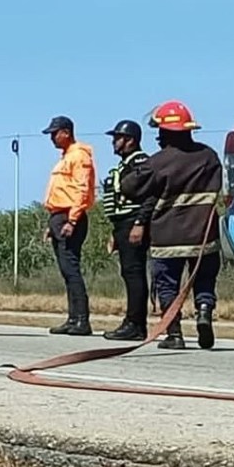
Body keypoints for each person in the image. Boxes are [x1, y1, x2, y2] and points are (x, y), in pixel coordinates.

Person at [118, 100, 222, 351]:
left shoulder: (158, 162)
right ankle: (204, 311)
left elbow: (129, 187)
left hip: (168, 236)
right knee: (204, 279)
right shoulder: (209, 156)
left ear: (165, 132)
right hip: (204, 236)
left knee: (167, 285)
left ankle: (174, 333)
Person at [41, 115, 96, 336]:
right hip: (59, 216)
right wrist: (51, 223)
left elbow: (82, 190)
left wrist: (72, 220)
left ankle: (82, 319)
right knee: (66, 270)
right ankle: (73, 318)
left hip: (70, 217)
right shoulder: (65, 157)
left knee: (72, 269)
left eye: (55, 133)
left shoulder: (79, 155)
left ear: (66, 132)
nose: (52, 138)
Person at [100, 119, 153, 341]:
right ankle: (133, 322)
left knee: (134, 272)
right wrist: (116, 231)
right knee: (129, 272)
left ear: (130, 140)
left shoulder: (140, 162)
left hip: (133, 222)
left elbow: (149, 196)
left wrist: (139, 223)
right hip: (123, 224)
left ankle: (135, 324)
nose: (114, 142)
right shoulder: (126, 164)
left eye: (117, 138)